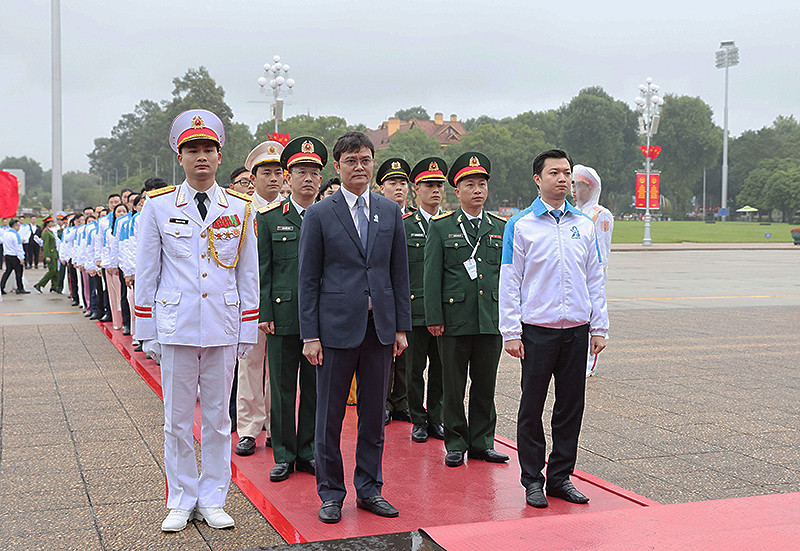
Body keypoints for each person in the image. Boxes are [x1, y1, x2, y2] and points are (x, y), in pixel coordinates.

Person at [134, 109, 259, 532]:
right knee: (177, 418)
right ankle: (181, 497)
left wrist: (246, 328)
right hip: (177, 325)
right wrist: (146, 329)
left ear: (220, 156)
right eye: (192, 150)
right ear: (180, 156)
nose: (200, 157)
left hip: (222, 324)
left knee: (220, 420)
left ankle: (213, 497)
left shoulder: (240, 207)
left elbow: (247, 273)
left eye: (208, 149)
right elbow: (147, 272)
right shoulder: (157, 207)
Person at [298, 131, 411, 524]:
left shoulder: (389, 211)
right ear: (338, 166)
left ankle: (369, 489)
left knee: (373, 414)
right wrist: (309, 335)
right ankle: (331, 493)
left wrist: (400, 327)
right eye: (351, 161)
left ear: (373, 163)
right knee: (328, 416)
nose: (359, 167)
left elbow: (398, 272)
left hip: (379, 328)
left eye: (365, 160)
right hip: (333, 330)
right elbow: (308, 279)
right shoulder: (319, 214)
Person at [499, 149, 608, 509]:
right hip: (537, 331)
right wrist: (511, 332)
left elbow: (595, 277)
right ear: (538, 179)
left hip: (576, 330)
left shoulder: (585, 224)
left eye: (567, 173)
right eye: (555, 173)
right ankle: (532, 479)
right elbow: (510, 280)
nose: (563, 180)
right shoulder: (521, 225)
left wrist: (599, 327)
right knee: (532, 407)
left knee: (570, 406)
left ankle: (561, 477)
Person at [423, 151, 508, 468]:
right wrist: (434, 317)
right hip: (453, 320)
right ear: (456, 191)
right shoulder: (442, 227)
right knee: (453, 385)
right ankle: (455, 442)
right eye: (470, 184)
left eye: (482, 184)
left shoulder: (500, 227)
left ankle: (483, 442)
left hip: (490, 319)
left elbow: (507, 276)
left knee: (486, 385)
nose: (477, 190)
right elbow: (431, 276)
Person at [257, 136, 325, 482]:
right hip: (282, 316)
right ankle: (283, 453)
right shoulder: (270, 220)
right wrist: (264, 311)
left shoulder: (330, 216)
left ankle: (309, 451)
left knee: (315, 388)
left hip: (321, 318)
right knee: (282, 389)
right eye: (301, 171)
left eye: (314, 172)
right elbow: (263, 270)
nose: (308, 178)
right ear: (288, 176)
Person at [232, 141, 285, 458]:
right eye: (266, 172)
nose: (274, 178)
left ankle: (277, 425)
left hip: (282, 303)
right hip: (248, 302)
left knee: (281, 370)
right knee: (250, 365)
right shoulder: (241, 210)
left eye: (279, 172)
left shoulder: (291, 210)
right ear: (253, 177)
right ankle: (249, 428)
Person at [404, 157, 448, 443]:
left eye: (439, 186)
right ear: (415, 189)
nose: (435, 191)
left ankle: (436, 418)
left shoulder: (450, 224)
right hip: (414, 309)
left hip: (445, 312)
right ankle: (417, 419)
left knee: (442, 370)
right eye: (429, 185)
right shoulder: (404, 225)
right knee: (413, 370)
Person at [376, 157, 413, 426]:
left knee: (406, 358)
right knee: (385, 355)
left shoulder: (415, 220)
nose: (398, 188)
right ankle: (384, 403)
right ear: (381, 188)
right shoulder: (377, 217)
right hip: (382, 293)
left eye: (402, 183)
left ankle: (403, 401)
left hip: (409, 295)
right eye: (392, 182)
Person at [572, 165, 614, 377]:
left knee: (594, 319)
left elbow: (602, 250)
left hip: (592, 275)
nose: (573, 189)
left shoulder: (600, 214)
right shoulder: (575, 214)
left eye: (577, 184)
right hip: (576, 276)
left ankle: (590, 364)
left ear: (589, 187)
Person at [1, 218, 28, 294]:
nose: (19, 227)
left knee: (7, 272)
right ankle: (20, 288)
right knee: (19, 273)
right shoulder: (15, 235)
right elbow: (19, 247)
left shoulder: (6, 233)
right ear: (15, 226)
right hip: (15, 256)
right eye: (18, 226)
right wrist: (21, 258)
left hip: (7, 255)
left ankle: (1, 287)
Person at [33, 216, 59, 293]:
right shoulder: (46, 232)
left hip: (53, 253)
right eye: (51, 222)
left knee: (55, 271)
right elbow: (46, 245)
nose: (53, 223)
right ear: (48, 223)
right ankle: (40, 284)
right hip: (50, 253)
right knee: (52, 270)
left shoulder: (49, 231)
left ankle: (54, 286)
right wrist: (47, 255)